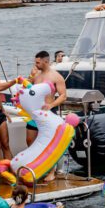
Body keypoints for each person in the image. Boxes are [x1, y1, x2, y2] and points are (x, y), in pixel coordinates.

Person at [26, 51, 68, 181]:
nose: (35, 64)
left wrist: (51, 105)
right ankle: (38, 166)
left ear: (45, 61)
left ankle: (52, 171)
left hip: (49, 113)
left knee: (50, 143)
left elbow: (63, 95)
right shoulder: (36, 75)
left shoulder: (56, 76)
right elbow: (29, 90)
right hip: (35, 114)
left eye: (38, 62)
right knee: (30, 140)